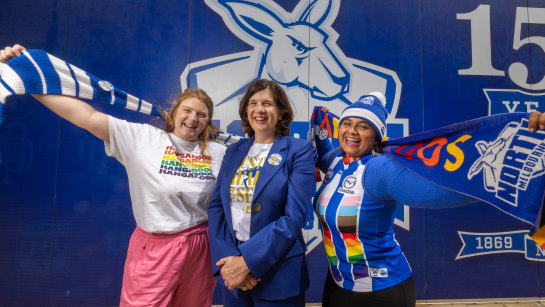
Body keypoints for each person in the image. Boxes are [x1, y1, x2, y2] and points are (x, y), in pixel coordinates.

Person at [0, 44, 224, 307]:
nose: (193, 118)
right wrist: (29, 79)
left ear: (208, 122)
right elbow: (85, 116)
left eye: (202, 115)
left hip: (200, 247)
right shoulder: (142, 138)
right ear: (174, 113)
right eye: (187, 110)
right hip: (155, 248)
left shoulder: (220, 153)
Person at [312, 92, 545, 307]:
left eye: (363, 126)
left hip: (381, 292)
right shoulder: (335, 160)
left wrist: (489, 178)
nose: (352, 131)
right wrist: (318, 119)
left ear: (376, 137)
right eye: (347, 124)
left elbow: (441, 191)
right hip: (337, 285)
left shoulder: (379, 170)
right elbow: (322, 147)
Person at [207, 79, 316, 306]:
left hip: (280, 274)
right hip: (233, 275)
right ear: (246, 110)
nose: (259, 110)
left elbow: (294, 218)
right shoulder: (234, 151)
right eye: (253, 103)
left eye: (268, 103)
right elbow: (217, 207)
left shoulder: (298, 150)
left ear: (281, 111)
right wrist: (231, 262)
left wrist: (247, 262)